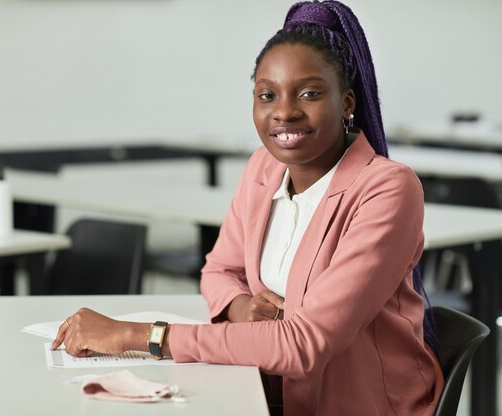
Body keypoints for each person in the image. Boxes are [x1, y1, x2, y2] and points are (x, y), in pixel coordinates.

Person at [52, 1, 444, 414]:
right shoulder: (264, 167)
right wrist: (242, 306)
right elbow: (219, 271)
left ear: (347, 103)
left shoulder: (387, 189)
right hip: (260, 389)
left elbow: (303, 344)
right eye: (267, 95)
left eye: (309, 93)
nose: (284, 112)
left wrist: (137, 336)